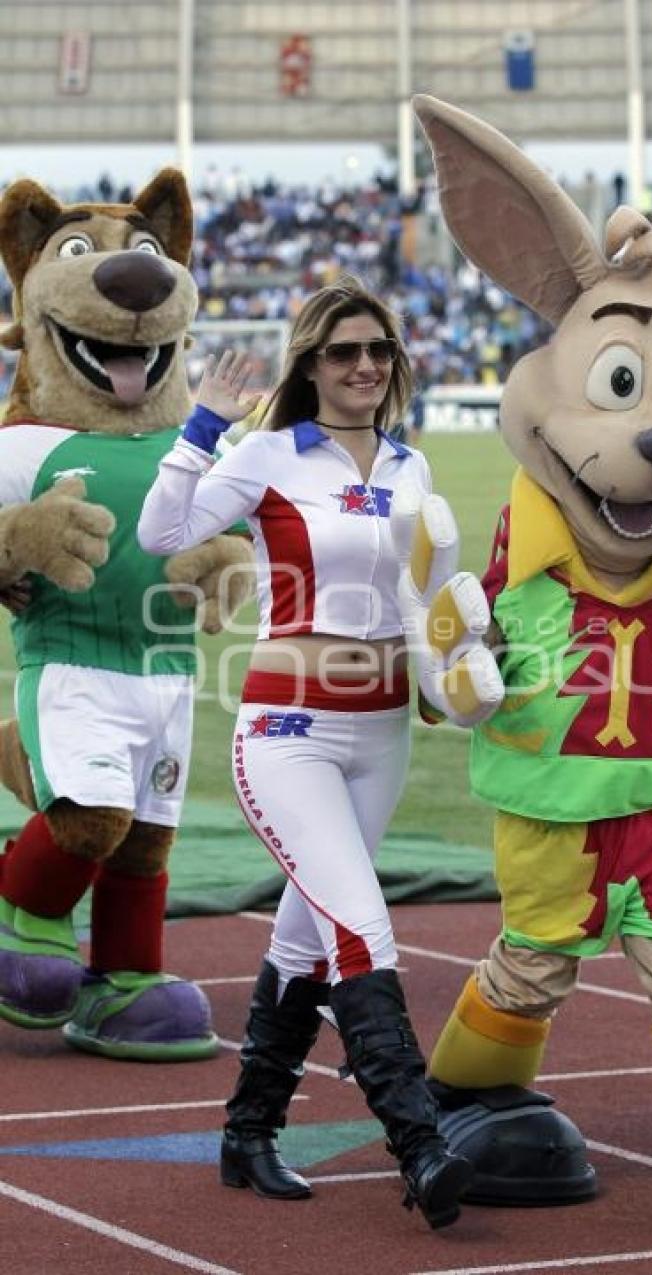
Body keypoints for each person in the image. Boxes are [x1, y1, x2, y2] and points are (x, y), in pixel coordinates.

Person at [137, 276, 473, 1228]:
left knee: (303, 939)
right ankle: (422, 1144)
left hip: (385, 730)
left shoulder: (412, 467)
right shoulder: (270, 454)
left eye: (377, 350)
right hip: (287, 731)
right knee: (362, 928)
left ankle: (248, 1132)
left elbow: (431, 598)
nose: (363, 366)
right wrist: (202, 426)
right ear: (310, 364)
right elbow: (163, 531)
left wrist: (456, 670)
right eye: (341, 352)